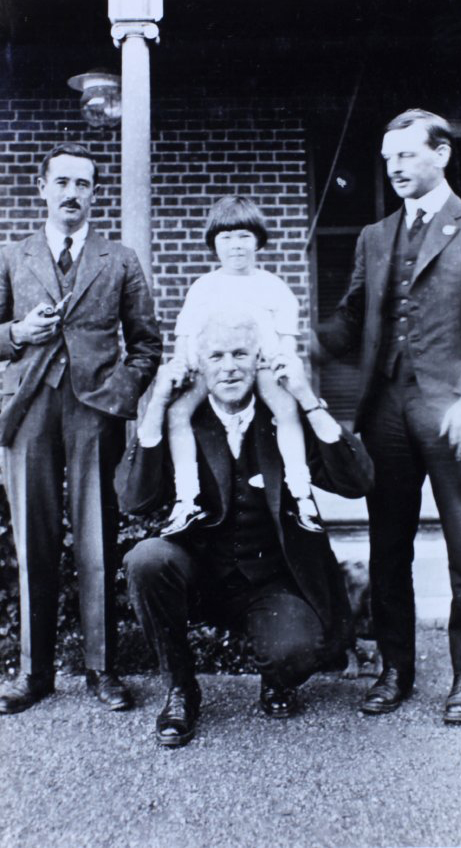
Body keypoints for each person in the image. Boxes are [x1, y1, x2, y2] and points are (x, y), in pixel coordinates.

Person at [115, 310, 374, 747]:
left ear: (258, 361)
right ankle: (181, 688)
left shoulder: (284, 417)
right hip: (199, 572)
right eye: (216, 356)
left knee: (297, 650)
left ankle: (276, 675)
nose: (229, 366)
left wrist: (309, 398)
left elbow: (357, 481)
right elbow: (133, 498)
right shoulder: (185, 420)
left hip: (271, 580)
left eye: (240, 354)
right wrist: (157, 403)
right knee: (146, 560)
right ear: (201, 364)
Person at [318, 109, 461, 724]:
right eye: (388, 159)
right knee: (389, 546)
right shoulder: (374, 235)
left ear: (441, 155)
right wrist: (293, 343)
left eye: (407, 156)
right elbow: (348, 319)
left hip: (451, 411)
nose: (394, 168)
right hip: (385, 407)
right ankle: (396, 670)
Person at [0, 142, 162, 714]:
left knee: (96, 541)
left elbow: (147, 346)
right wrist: (18, 333)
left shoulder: (118, 260)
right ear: (41, 187)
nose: (73, 194)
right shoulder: (12, 256)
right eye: (62, 182)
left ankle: (101, 670)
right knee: (33, 542)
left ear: (95, 193)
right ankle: (33, 672)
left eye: (84, 184)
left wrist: (118, 397)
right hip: (28, 412)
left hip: (94, 413)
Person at [163, 195, 323, 535]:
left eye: (244, 237)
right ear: (214, 244)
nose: (236, 246)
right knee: (177, 412)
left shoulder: (273, 287)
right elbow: (186, 337)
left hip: (259, 367)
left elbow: (286, 342)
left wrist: (283, 363)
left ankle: (300, 489)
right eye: (226, 237)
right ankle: (186, 496)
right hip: (213, 370)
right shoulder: (204, 287)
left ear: (258, 240)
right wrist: (184, 364)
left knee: (286, 409)